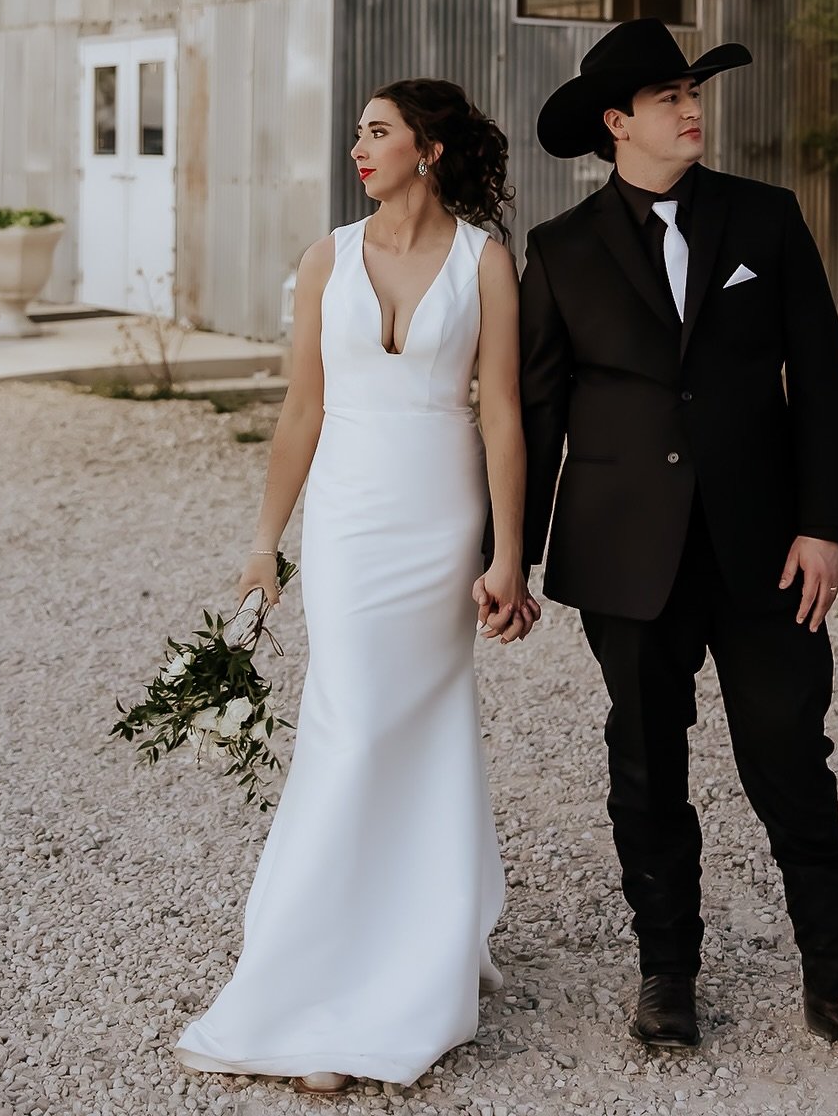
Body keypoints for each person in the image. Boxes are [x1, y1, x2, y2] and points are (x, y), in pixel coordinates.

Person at [519, 18, 838, 1075]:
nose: (691, 108)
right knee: (648, 768)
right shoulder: (560, 252)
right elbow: (539, 413)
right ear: (617, 123)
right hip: (626, 556)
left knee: (793, 759)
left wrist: (824, 522)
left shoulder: (767, 218)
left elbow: (821, 381)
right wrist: (509, 557)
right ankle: (668, 973)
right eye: (667, 98)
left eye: (694, 92)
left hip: (767, 552)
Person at [175, 79, 539, 1096]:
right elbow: (300, 410)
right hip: (345, 519)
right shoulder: (325, 256)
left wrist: (509, 557)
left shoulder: (486, 263)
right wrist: (264, 544)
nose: (358, 148)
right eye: (357, 133)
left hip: (439, 516)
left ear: (428, 148)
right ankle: (309, 976)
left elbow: (502, 415)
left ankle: (415, 953)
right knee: (348, 721)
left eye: (377, 132)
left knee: (417, 723)